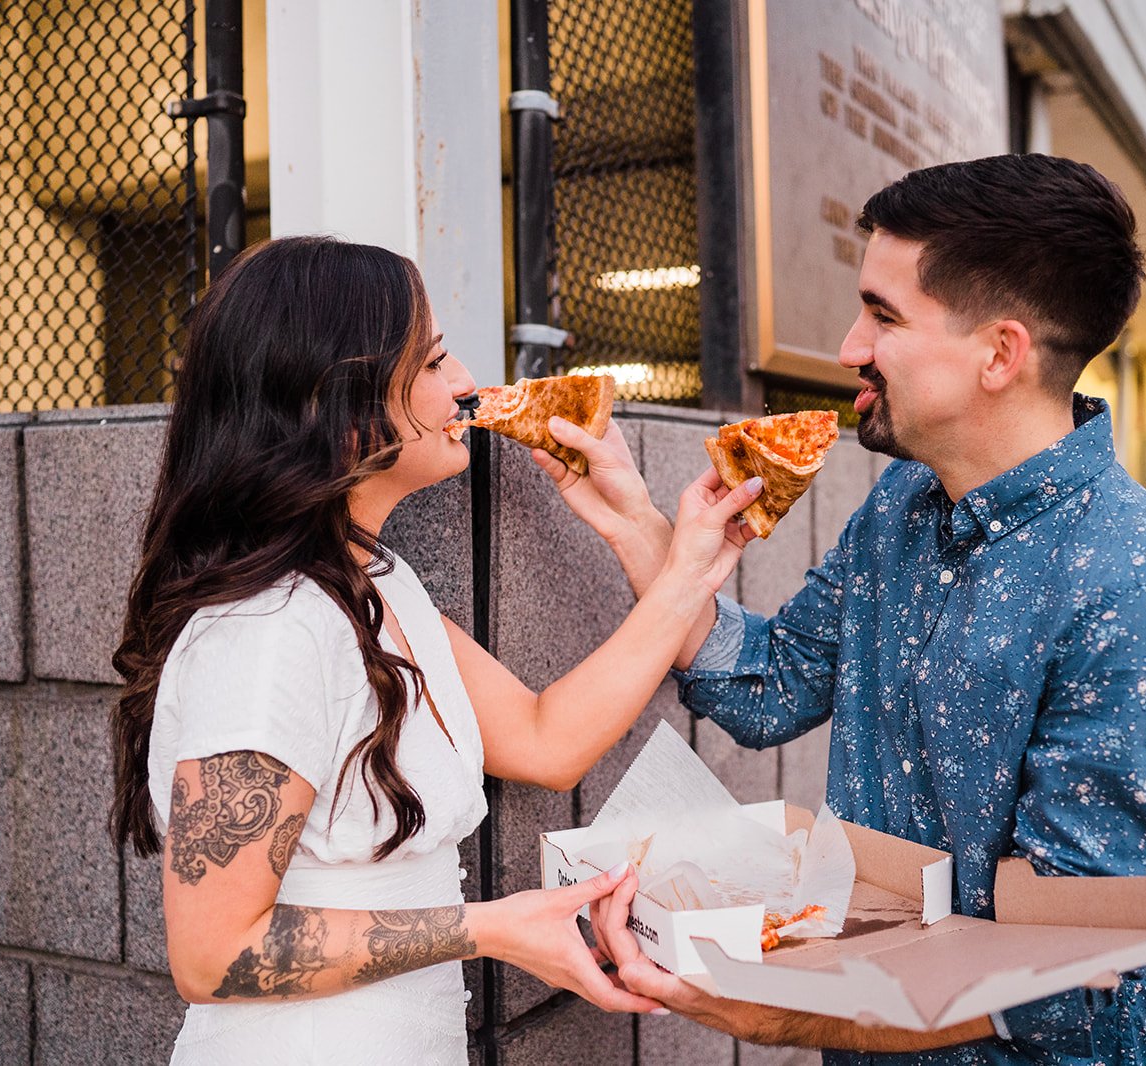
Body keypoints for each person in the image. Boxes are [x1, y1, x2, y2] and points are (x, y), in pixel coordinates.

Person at [541, 154, 1146, 1063]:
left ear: (1001, 353)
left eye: (883, 315)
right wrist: (642, 531)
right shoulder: (902, 505)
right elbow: (771, 687)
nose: (848, 348)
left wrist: (766, 1012)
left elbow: (1072, 977)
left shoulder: (1141, 602)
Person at [108, 237, 763, 1064]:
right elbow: (210, 954)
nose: (465, 386)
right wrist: (487, 928)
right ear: (340, 410)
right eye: (436, 360)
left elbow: (543, 738)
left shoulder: (376, 584)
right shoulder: (265, 633)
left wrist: (671, 562)